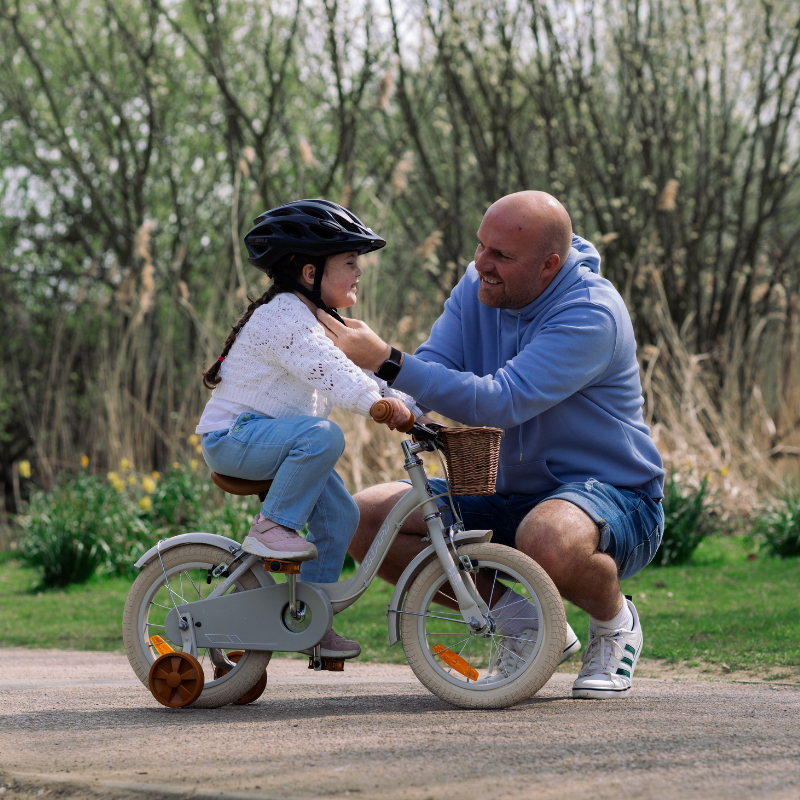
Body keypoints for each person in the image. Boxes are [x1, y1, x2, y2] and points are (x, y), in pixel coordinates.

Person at [316, 191, 665, 698]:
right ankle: (525, 624)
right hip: (503, 492)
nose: (482, 263)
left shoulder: (591, 313)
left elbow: (503, 400)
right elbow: (435, 363)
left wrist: (387, 359)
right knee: (362, 518)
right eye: (481, 246)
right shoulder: (478, 283)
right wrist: (364, 383)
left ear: (549, 265)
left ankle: (615, 623)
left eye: (501, 255)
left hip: (612, 496)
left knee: (545, 536)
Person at [197, 199, 419, 660]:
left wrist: (412, 408)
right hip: (235, 438)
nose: (359, 272)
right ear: (309, 273)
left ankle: (312, 625)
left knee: (341, 517)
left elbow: (364, 373)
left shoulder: (322, 320)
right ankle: (273, 526)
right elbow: (333, 374)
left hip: (273, 440)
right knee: (324, 435)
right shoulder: (284, 318)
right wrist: (380, 406)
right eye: (350, 262)